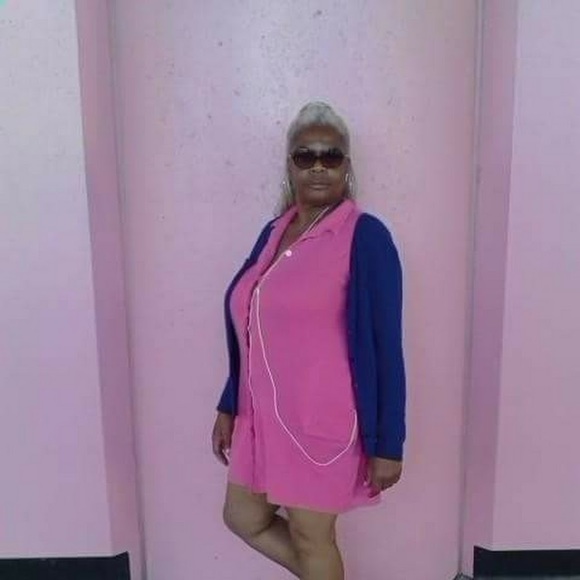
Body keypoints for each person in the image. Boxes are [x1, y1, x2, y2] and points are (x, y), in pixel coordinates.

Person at [211, 101, 406, 580]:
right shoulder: (275, 231)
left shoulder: (365, 237)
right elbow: (251, 322)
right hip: (261, 419)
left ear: (346, 166)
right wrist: (229, 403)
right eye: (306, 156)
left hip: (322, 421)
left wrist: (389, 443)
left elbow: (387, 346)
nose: (318, 166)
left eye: (330, 156)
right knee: (242, 516)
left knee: (311, 536)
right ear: (290, 165)